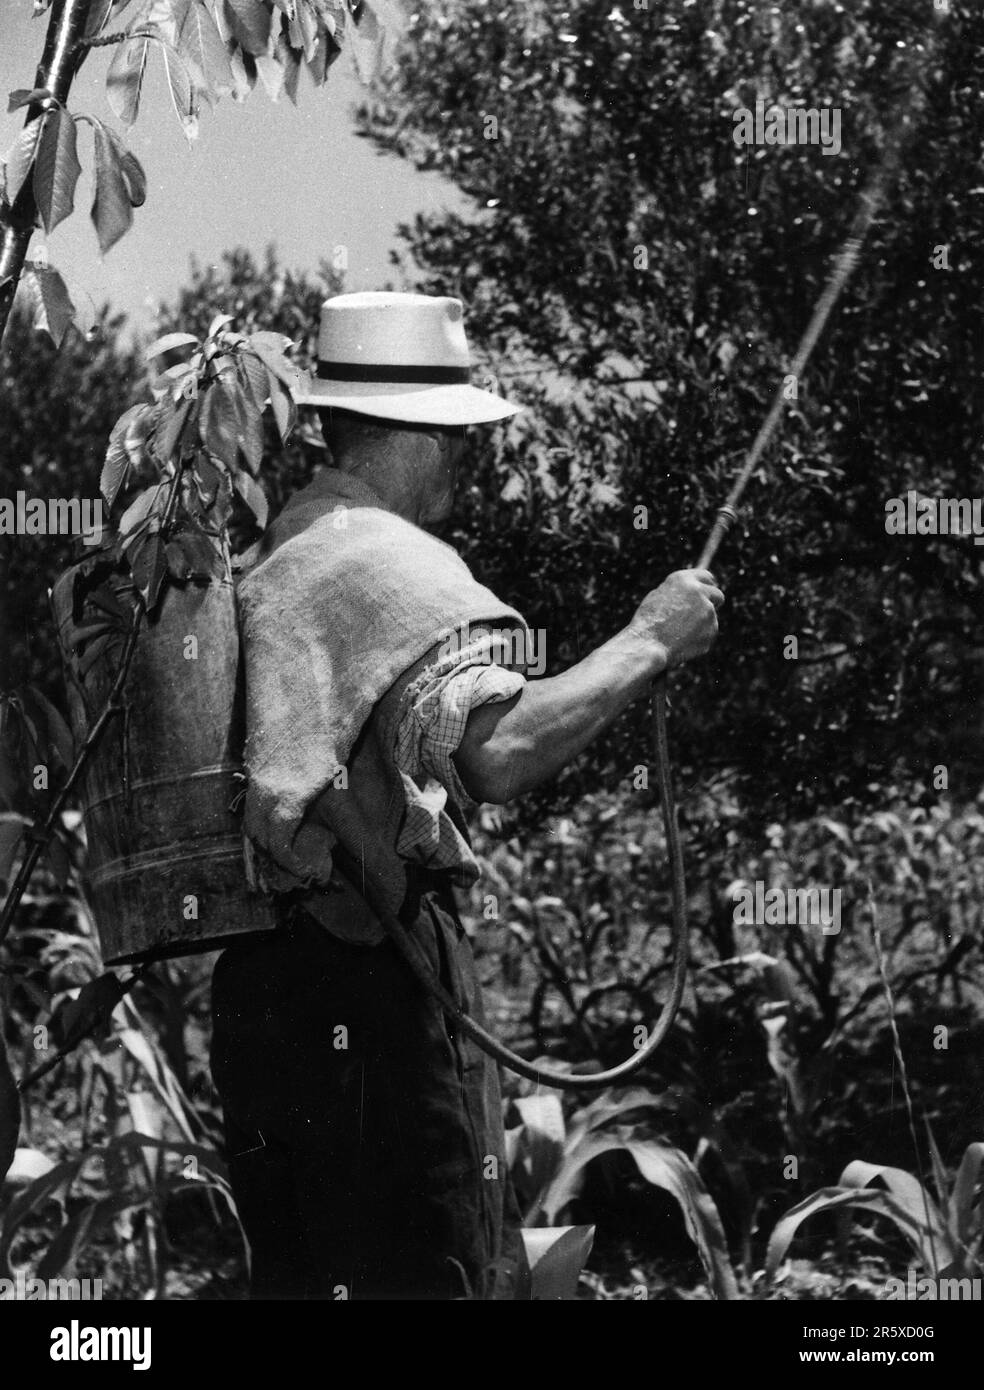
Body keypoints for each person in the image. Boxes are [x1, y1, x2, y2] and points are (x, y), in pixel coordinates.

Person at [209, 291, 724, 1300]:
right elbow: (499, 750)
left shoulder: (275, 556)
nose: (468, 462)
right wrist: (651, 638)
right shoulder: (384, 561)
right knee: (432, 1270)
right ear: (419, 436)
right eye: (459, 437)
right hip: (375, 995)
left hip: (261, 1001)